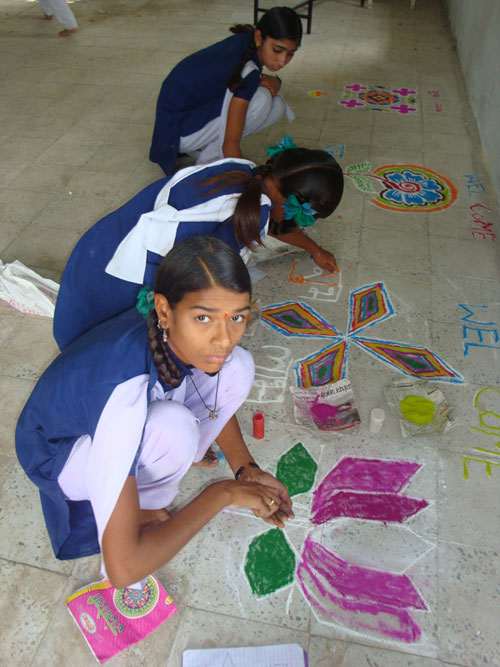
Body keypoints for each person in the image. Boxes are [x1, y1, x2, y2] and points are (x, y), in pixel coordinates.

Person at [16, 237, 294, 589]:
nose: (224, 339)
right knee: (173, 430)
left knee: (237, 365)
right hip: (57, 452)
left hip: (109, 410)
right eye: (203, 317)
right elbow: (122, 572)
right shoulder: (124, 392)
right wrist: (223, 493)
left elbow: (208, 389)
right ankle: (140, 508)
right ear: (164, 310)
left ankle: (169, 466)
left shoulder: (167, 331)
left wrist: (246, 470)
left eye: (236, 317)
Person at [53, 143, 344, 350]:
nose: (299, 223)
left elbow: (270, 221)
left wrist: (314, 249)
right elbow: (203, 284)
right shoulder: (252, 214)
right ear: (295, 205)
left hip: (96, 252)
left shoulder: (246, 172)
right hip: (117, 288)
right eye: (306, 218)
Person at [149, 7, 302, 175]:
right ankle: (210, 162)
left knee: (277, 105)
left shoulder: (246, 44)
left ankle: (207, 150)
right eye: (277, 50)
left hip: (178, 121)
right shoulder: (247, 68)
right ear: (259, 37)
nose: (282, 61)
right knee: (262, 99)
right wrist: (245, 178)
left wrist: (277, 81)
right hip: (175, 134)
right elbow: (230, 143)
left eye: (290, 53)